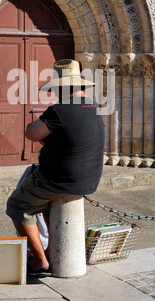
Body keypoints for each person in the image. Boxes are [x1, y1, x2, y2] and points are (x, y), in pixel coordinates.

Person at [6, 59, 105, 276]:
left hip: (59, 178)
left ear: (62, 87)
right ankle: (53, 250)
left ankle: (40, 260)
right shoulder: (93, 108)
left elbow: (31, 133)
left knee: (17, 206)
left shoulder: (59, 110)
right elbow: (75, 140)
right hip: (89, 178)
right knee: (47, 204)